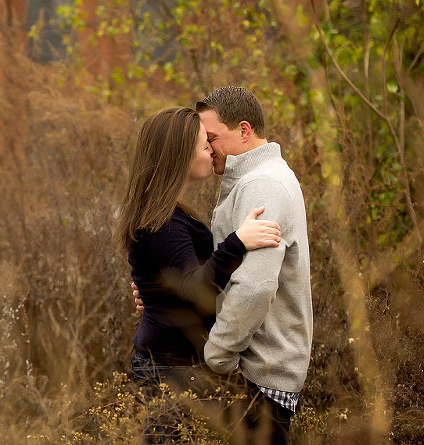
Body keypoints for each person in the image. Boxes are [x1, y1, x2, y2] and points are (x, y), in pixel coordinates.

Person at [133, 87, 313, 444]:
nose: (209, 149)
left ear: (244, 131)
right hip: (206, 364)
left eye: (211, 138)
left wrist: (216, 355)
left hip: (255, 369)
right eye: (204, 142)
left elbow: (255, 287)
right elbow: (189, 271)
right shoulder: (242, 184)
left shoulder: (262, 185)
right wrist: (158, 292)